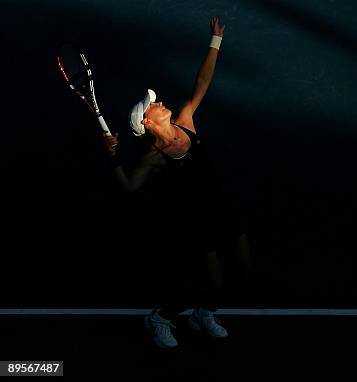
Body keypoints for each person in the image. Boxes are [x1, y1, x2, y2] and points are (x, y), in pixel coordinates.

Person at [103, 17, 252, 349]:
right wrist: (112, 155)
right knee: (207, 279)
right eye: (152, 105)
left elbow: (202, 82)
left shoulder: (186, 121)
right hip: (197, 219)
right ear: (146, 122)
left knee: (243, 266)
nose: (159, 103)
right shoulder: (155, 156)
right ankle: (160, 317)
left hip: (222, 205)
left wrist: (215, 41)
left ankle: (203, 313)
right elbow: (128, 187)